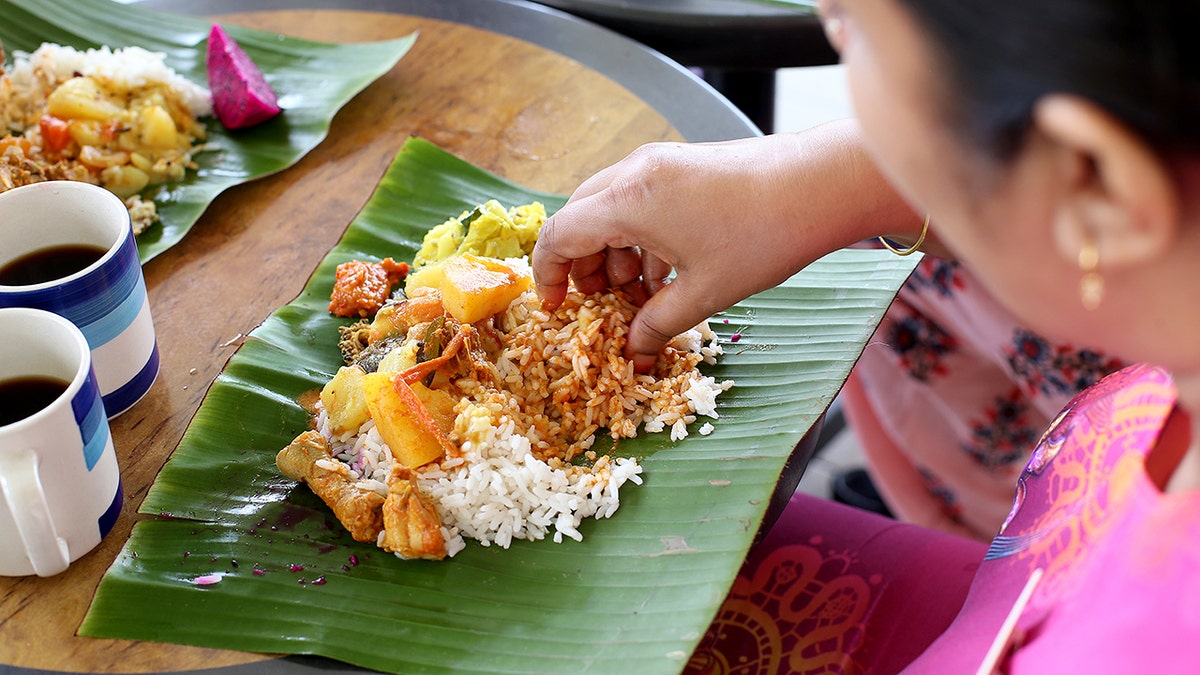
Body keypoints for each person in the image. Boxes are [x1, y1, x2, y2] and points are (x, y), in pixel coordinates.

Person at [532, 0, 1200, 671]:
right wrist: (828, 180)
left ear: (1095, 179)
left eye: (851, 29)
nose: (830, 22)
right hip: (1036, 569)